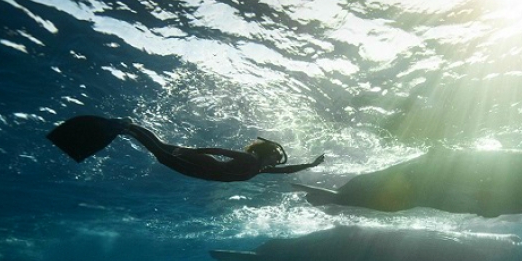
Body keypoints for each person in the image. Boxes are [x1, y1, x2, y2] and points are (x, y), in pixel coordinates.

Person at [47, 115, 324, 182]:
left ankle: (129, 127)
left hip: (195, 166)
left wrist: (310, 165)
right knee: (161, 150)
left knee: (160, 148)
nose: (276, 159)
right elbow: (215, 150)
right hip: (196, 165)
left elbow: (285, 171)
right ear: (266, 154)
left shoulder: (258, 166)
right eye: (275, 155)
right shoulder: (252, 163)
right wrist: (187, 153)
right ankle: (127, 128)